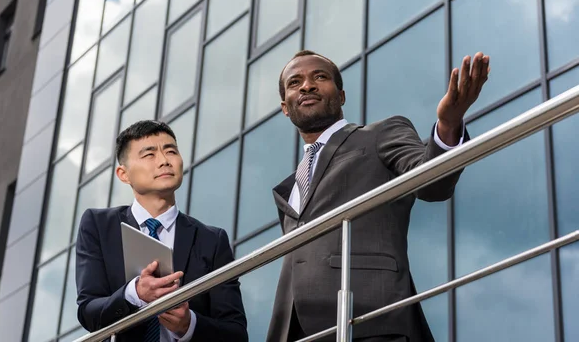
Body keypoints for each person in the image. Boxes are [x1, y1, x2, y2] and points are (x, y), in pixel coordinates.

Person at [267, 50, 490, 342]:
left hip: (369, 320)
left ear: (342, 95)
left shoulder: (380, 134)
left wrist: (448, 126)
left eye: (319, 77)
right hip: (295, 331)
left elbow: (432, 182)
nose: (307, 86)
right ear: (285, 107)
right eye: (295, 82)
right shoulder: (289, 188)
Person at [76, 120, 248, 342]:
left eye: (171, 151)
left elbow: (236, 334)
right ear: (123, 174)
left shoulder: (211, 240)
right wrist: (134, 294)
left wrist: (188, 325)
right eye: (149, 155)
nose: (164, 161)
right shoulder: (99, 226)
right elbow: (89, 312)